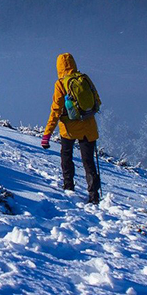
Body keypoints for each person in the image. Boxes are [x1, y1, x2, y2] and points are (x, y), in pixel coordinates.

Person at [41, 53, 102, 204]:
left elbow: (55, 110)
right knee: (88, 162)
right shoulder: (85, 78)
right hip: (89, 127)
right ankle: (94, 195)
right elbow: (98, 102)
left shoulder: (61, 83)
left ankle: (69, 187)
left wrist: (47, 135)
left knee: (66, 156)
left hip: (69, 129)